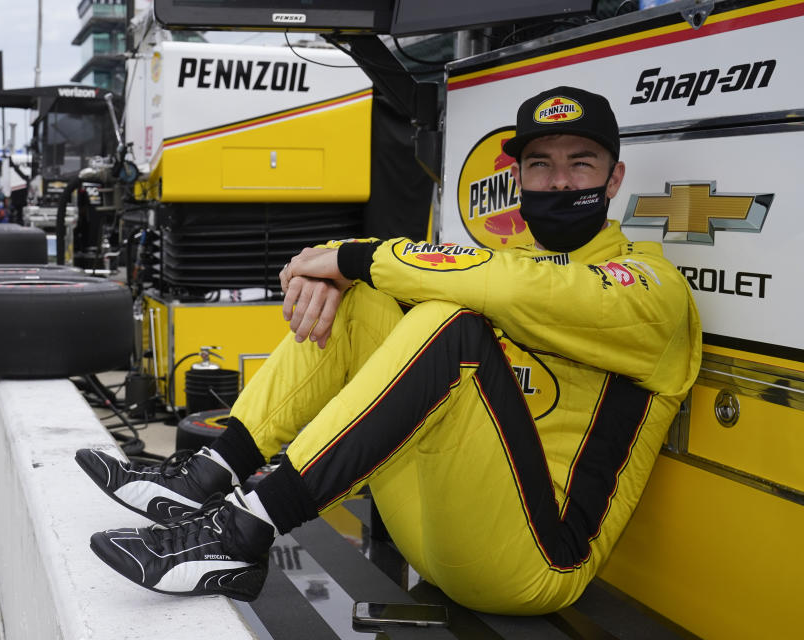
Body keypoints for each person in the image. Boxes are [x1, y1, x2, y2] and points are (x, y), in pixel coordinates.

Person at [76, 87, 702, 613]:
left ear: (614, 178)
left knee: (446, 319)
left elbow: (516, 287)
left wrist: (350, 257)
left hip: (534, 562)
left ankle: (242, 531)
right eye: (540, 165)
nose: (558, 181)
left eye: (581, 164)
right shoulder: (503, 264)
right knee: (362, 299)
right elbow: (485, 277)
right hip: (427, 529)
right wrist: (334, 272)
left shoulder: (652, 288)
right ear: (518, 178)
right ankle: (209, 475)